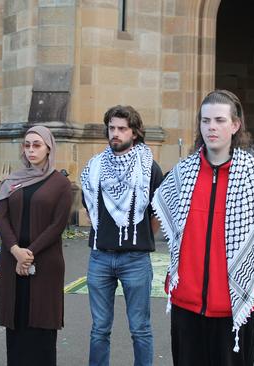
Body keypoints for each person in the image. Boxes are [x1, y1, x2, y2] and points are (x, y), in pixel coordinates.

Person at [152, 90, 254, 366]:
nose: (211, 127)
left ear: (235, 125)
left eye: (219, 120)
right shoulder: (182, 172)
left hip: (233, 306)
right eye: (205, 121)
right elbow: (161, 217)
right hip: (186, 304)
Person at [81, 105, 163, 366]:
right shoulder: (93, 167)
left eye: (122, 129)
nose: (115, 133)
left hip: (135, 260)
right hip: (100, 258)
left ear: (135, 133)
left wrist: (136, 240)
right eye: (112, 128)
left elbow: (157, 214)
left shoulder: (150, 168)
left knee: (140, 328)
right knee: (99, 329)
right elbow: (90, 210)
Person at [0, 126, 73, 366]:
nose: (31, 150)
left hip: (45, 262)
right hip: (13, 259)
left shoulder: (60, 183)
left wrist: (28, 254)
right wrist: (16, 251)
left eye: (37, 145)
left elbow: (57, 224)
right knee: (17, 321)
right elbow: (2, 217)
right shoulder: (13, 180)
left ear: (49, 147)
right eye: (27, 145)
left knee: (41, 324)